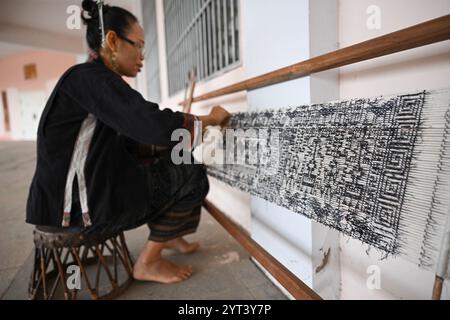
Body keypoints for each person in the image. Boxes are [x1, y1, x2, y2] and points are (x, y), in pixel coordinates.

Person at [25, 0, 231, 284]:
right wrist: (205, 120)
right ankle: (149, 262)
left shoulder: (88, 80)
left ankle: (169, 235)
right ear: (112, 40)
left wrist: (179, 138)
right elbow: (150, 123)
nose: (142, 56)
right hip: (75, 213)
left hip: (64, 206)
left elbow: (129, 141)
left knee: (175, 155)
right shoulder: (94, 80)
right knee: (190, 170)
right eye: (138, 45)